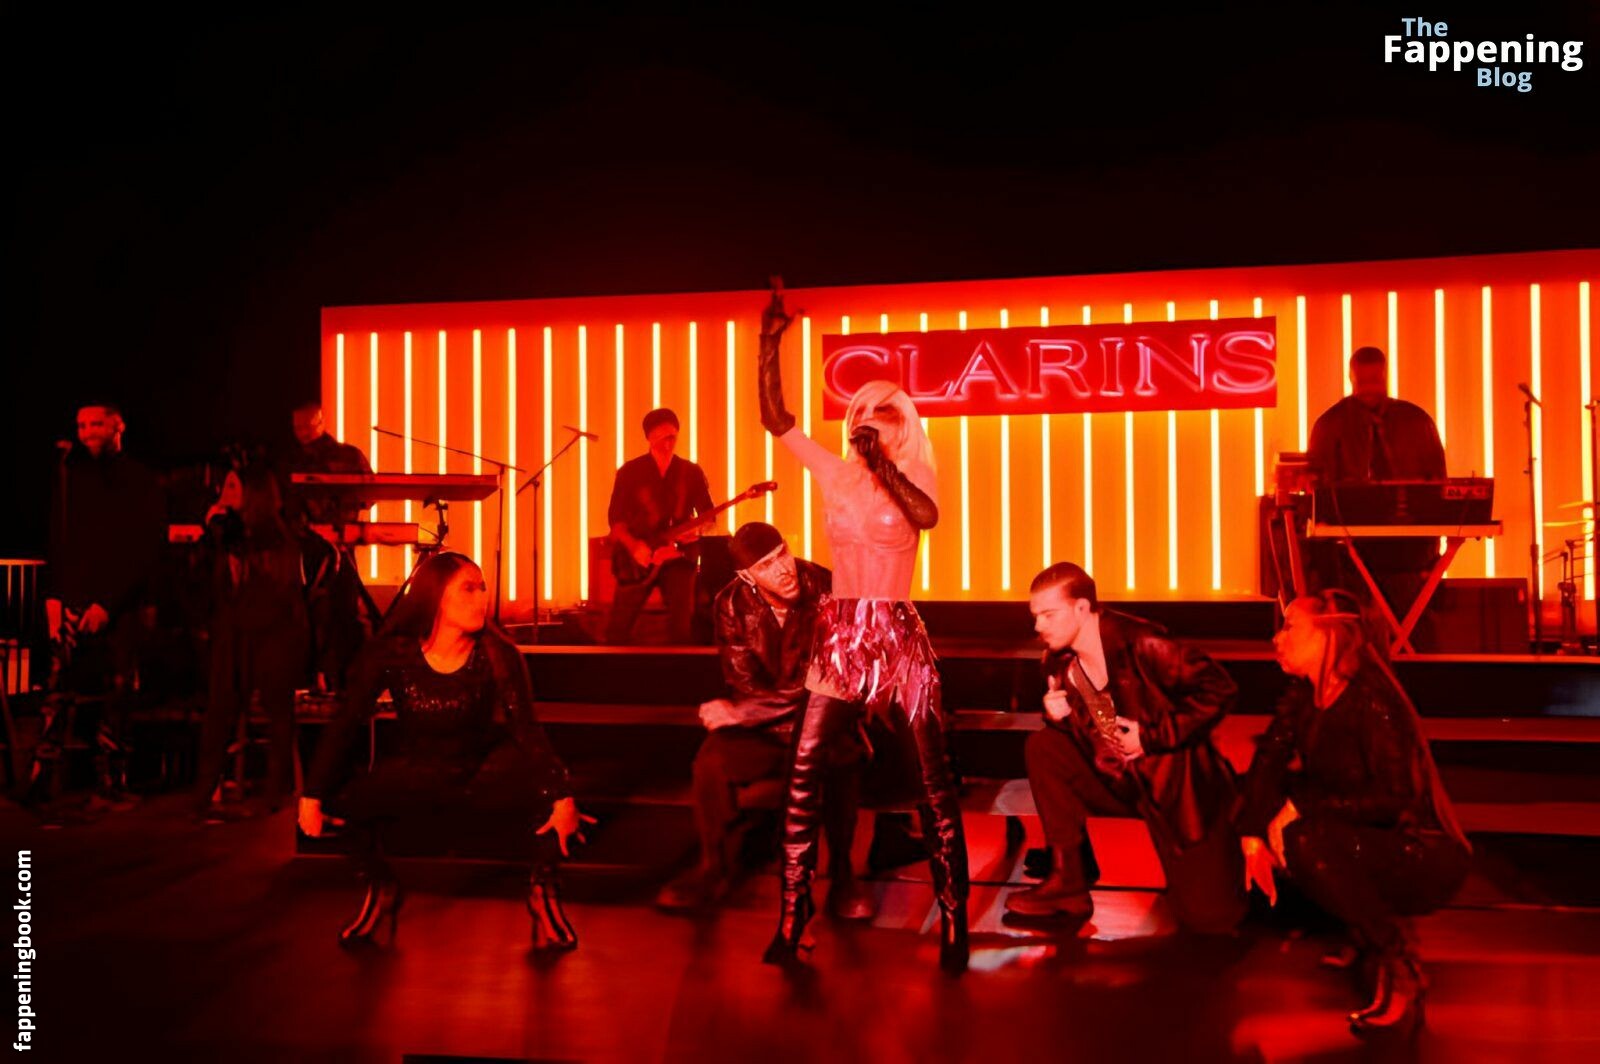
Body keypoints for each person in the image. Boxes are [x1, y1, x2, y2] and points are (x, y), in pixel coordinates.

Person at [758, 289, 970, 973]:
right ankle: (792, 917)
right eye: (862, 412)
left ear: (903, 423)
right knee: (802, 773)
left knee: (933, 778)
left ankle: (955, 920)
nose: (870, 420)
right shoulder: (834, 473)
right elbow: (776, 419)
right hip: (842, 629)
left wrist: (880, 463)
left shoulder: (917, 470)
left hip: (896, 629)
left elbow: (925, 517)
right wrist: (770, 342)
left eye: (886, 411)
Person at [298, 552, 594, 948]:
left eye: (483, 588)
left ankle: (543, 890)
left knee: (551, 794)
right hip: (418, 767)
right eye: (468, 589)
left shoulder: (498, 654)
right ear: (436, 596)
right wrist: (312, 793)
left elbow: (526, 729)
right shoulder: (394, 652)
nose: (481, 598)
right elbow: (346, 722)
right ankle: (380, 887)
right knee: (335, 798)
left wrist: (562, 795)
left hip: (480, 767)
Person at [1238, 590, 1470, 1040]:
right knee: (1267, 810)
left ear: (1328, 636)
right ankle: (1363, 936)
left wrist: (1299, 810)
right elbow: (1269, 761)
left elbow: (1395, 798)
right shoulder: (1305, 695)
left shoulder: (1372, 700)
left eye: (1290, 627)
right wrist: (1252, 836)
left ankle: (1399, 964)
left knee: (1305, 839)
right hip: (1362, 831)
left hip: (1419, 847)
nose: (1277, 639)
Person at [1006, 562, 1247, 937]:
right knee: (1044, 747)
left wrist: (1151, 736)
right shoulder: (1058, 661)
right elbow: (1090, 732)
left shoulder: (1143, 643)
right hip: (1120, 781)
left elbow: (1220, 689)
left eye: (1049, 614)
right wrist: (1058, 718)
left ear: (1082, 608)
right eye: (1035, 616)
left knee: (1212, 921)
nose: (1038, 626)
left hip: (1175, 791)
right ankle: (1068, 881)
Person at [655, 522, 874, 920]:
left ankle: (843, 875)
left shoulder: (831, 590)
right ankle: (713, 869)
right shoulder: (730, 603)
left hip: (825, 721)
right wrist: (754, 712)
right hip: (769, 726)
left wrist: (745, 712)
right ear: (747, 577)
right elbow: (743, 683)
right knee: (711, 762)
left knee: (841, 759)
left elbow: (828, 683)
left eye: (782, 555)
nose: (783, 570)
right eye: (766, 566)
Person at [28, 402, 165, 816]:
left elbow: (141, 549)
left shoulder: (140, 480)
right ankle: (42, 777)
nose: (87, 432)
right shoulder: (70, 477)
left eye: (96, 424)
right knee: (58, 690)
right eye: (82, 425)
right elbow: (60, 539)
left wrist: (107, 602)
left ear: (117, 426)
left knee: (119, 693)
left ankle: (111, 781)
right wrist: (54, 598)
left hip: (121, 605)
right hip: (75, 600)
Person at [191, 467, 311, 822]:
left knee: (277, 711)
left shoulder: (276, 540)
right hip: (235, 633)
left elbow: (276, 592)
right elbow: (201, 580)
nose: (224, 493)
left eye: (233, 486)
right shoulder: (224, 533)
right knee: (220, 710)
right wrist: (210, 532)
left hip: (271, 633)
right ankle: (203, 793)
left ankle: (274, 792)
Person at [1306, 346, 1447, 641]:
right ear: (1351, 378)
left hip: (1409, 549)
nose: (1369, 389)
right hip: (1353, 550)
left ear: (1385, 376)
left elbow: (1438, 487)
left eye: (1375, 381)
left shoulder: (1416, 421)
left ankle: (1409, 654)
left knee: (1411, 616)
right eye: (1363, 382)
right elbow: (1317, 492)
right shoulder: (1331, 425)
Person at [277, 400, 374, 688]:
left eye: (307, 427)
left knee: (338, 609)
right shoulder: (291, 461)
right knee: (322, 612)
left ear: (321, 422)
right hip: (309, 546)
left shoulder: (347, 456)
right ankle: (325, 678)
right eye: (297, 428)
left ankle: (336, 678)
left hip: (331, 543)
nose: (301, 433)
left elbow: (368, 496)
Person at [605, 407, 715, 645]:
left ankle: (679, 666)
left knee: (682, 630)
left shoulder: (691, 471)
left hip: (678, 556)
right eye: (661, 436)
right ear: (649, 437)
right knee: (618, 629)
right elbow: (615, 519)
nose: (668, 442)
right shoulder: (629, 471)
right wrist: (634, 547)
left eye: (672, 436)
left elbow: (709, 516)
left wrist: (696, 531)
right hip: (638, 558)